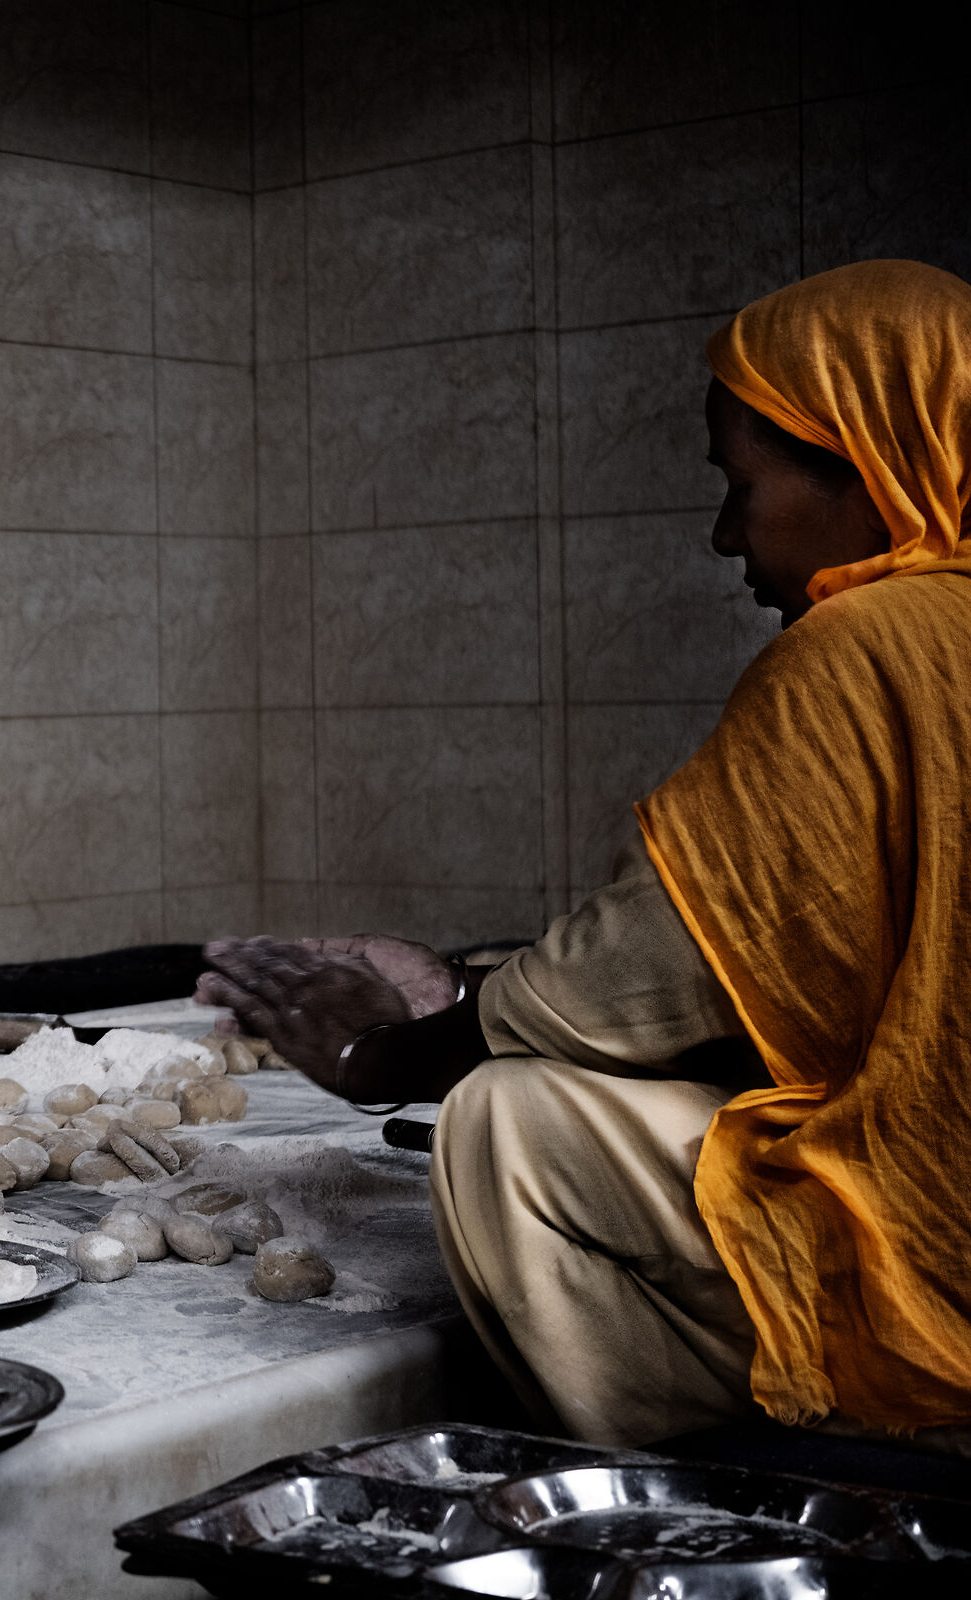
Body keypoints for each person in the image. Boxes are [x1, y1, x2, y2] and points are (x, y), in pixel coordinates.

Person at [197, 260, 971, 1452]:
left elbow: (630, 987)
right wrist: (466, 981)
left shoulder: (872, 644)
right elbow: (826, 965)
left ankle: (722, 1497)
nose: (725, 535)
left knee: (511, 1116)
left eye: (742, 484)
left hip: (939, 1264)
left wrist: (381, 1049)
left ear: (868, 466)